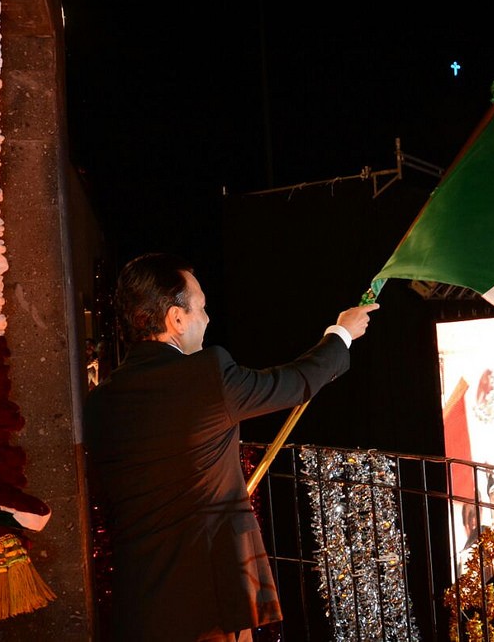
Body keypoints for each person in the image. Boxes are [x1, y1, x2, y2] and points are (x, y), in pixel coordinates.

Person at [83, 253, 378, 641]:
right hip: (211, 599)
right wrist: (341, 333)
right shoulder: (207, 375)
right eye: (201, 308)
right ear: (176, 318)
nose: (206, 319)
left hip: (139, 602)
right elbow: (295, 382)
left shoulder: (101, 401)